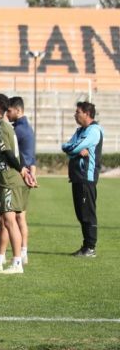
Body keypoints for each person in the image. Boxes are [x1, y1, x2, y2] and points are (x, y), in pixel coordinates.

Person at [0, 93, 31, 274]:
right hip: (4, 180)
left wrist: (21, 169)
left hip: (9, 180)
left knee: (10, 221)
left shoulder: (0, 127)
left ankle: (17, 262)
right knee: (2, 220)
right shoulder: (0, 125)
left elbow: (9, 153)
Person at [62, 101, 103, 257]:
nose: (75, 114)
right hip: (78, 177)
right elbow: (67, 146)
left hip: (87, 177)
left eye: (77, 111)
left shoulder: (94, 131)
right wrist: (75, 151)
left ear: (87, 113)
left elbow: (72, 147)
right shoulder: (80, 130)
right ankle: (86, 246)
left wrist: (74, 149)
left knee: (87, 214)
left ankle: (90, 248)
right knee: (81, 214)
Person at [7, 96, 37, 264]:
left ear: (18, 110)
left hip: (19, 176)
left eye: (9, 111)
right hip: (25, 175)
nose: (7, 114)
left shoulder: (19, 130)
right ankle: (23, 252)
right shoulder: (25, 127)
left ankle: (19, 254)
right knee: (20, 217)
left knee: (13, 218)